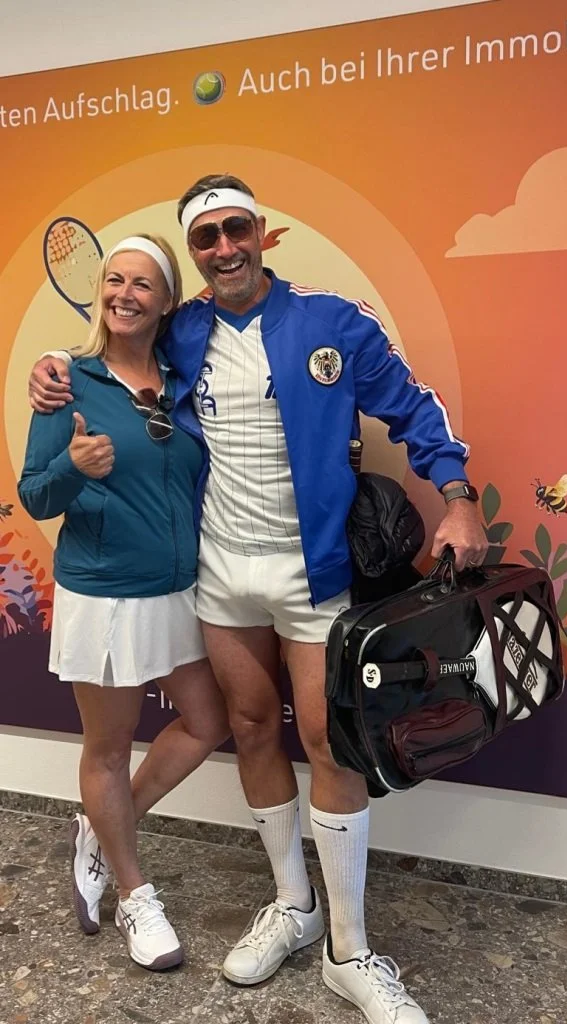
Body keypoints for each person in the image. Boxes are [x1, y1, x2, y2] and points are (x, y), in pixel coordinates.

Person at [29, 178, 488, 1023]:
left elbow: (412, 407)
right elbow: (116, 344)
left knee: (329, 743)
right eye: (205, 238)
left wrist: (457, 495)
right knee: (247, 727)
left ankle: (351, 951)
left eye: (235, 229)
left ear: (261, 231)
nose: (224, 248)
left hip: (314, 573)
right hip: (220, 575)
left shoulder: (333, 320)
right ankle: (292, 905)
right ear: (195, 253)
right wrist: (52, 368)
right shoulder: (184, 328)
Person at [19, 234, 229, 971]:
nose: (125, 294)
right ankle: (136, 893)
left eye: (143, 284)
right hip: (104, 593)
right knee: (108, 749)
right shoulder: (66, 380)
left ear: (167, 301)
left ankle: (102, 831)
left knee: (207, 723)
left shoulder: (181, 380)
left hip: (177, 588)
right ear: (99, 291)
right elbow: (35, 495)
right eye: (115, 280)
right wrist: (73, 466)